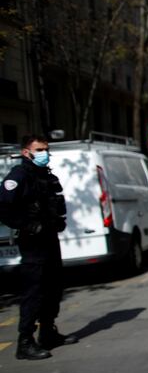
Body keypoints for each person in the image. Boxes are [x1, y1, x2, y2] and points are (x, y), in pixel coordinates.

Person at [0, 135, 76, 360]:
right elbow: (3, 206)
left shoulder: (44, 175)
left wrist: (56, 220)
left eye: (46, 149)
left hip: (49, 237)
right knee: (34, 290)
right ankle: (25, 342)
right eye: (40, 149)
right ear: (26, 152)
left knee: (53, 286)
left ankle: (47, 332)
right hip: (33, 241)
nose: (45, 153)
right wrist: (28, 224)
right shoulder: (19, 175)